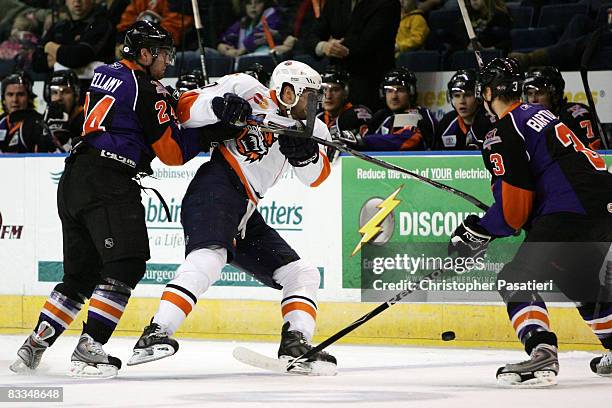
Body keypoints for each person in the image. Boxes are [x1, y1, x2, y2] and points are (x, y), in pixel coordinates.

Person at [8, 21, 211, 378]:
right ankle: (90, 347)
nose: (167, 60)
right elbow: (173, 154)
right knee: (126, 264)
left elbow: (131, 117)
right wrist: (211, 132)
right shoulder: (148, 87)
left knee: (80, 276)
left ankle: (34, 345)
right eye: (162, 54)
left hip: (74, 177)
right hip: (108, 181)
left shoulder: (106, 73)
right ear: (144, 54)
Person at [127, 60, 337, 375]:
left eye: (315, 95)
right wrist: (217, 106)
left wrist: (305, 154)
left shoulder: (312, 128)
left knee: (302, 274)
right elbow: (185, 108)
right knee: (210, 257)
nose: (314, 102)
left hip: (247, 209)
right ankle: (156, 331)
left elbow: (316, 177)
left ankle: (295, 343)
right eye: (308, 94)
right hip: (217, 186)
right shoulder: (247, 89)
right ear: (286, 90)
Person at [448, 58, 612, 387]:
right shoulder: (541, 116)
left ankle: (542, 352)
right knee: (579, 282)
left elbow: (513, 215)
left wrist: (476, 232)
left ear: (489, 92)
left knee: (514, 280)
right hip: (602, 205)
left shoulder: (503, 133)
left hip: (571, 213)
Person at [303, 0, 401, 111]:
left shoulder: (387, 3)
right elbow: (311, 35)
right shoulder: (334, 3)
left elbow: (370, 40)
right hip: (338, 86)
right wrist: (323, 46)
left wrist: (335, 46)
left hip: (372, 84)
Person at [31, 0, 116, 81]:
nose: (77, 1)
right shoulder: (59, 26)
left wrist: (50, 47)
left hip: (92, 91)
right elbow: (36, 62)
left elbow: (77, 58)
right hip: (59, 91)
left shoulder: (102, 25)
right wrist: (66, 57)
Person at [523, 66, 604, 150]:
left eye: (540, 93)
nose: (533, 100)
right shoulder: (526, 121)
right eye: (529, 94)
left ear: (555, 94)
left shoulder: (574, 115)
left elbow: (594, 154)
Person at [361, 67, 437, 151]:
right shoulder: (381, 116)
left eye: (400, 90)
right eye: (389, 91)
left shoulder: (419, 115)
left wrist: (364, 141)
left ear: (411, 92)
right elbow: (363, 137)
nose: (394, 97)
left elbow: (405, 141)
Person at [316, 66, 372, 159]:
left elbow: (367, 145)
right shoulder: (317, 117)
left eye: (335, 90)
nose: (328, 95)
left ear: (346, 92)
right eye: (324, 89)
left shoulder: (357, 114)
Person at [434, 69, 491, 150]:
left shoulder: (491, 123)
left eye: (468, 95)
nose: (462, 101)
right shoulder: (446, 123)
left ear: (479, 97)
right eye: (457, 96)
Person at [0, 71, 52, 153]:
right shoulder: (1, 121)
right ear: (3, 98)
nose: (15, 100)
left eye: (20, 94)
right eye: (10, 94)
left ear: (29, 98)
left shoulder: (38, 124)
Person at [217, 0, 283, 58]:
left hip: (266, 58)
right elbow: (228, 36)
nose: (253, 6)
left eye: (258, 2)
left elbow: (258, 34)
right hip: (245, 60)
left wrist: (240, 51)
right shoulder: (243, 21)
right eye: (249, 3)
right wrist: (222, 46)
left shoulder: (272, 13)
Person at [42, 69, 84, 152]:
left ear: (76, 95)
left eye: (66, 92)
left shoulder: (88, 120)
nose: (59, 98)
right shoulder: (45, 119)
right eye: (54, 92)